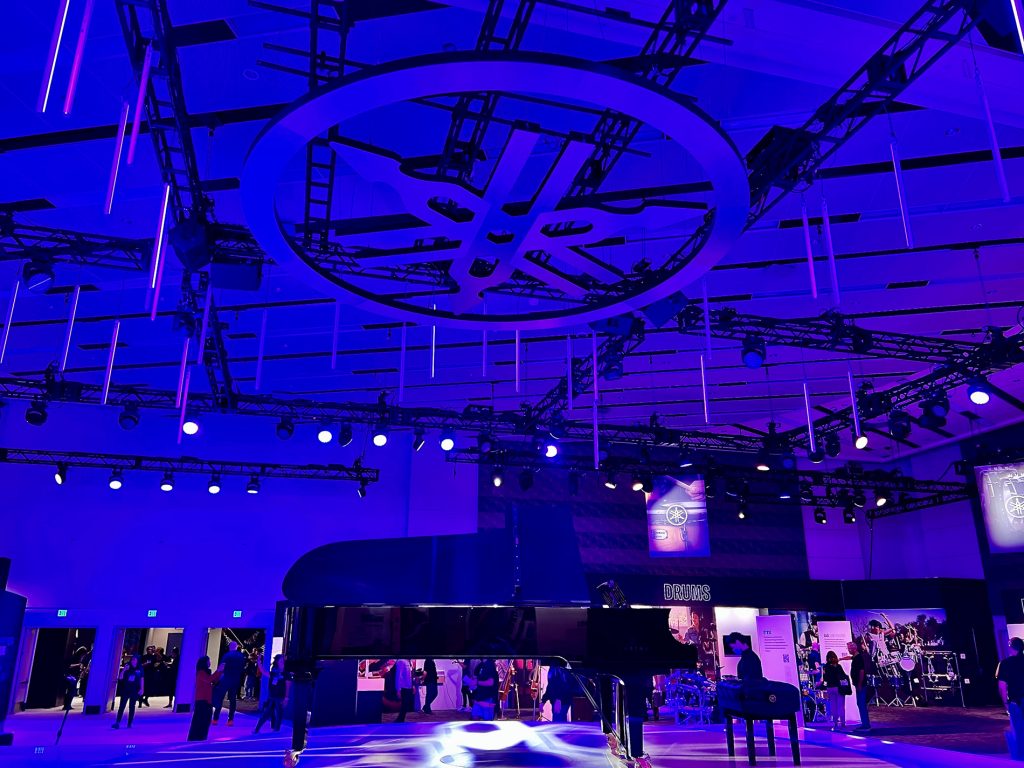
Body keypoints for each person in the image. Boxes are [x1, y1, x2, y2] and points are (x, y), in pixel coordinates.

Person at [212, 641, 246, 726]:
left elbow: (221, 667)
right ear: (237, 647)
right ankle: (230, 720)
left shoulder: (227, 655)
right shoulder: (241, 656)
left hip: (226, 678)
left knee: (220, 698)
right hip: (236, 679)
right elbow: (243, 668)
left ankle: (215, 719)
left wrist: (216, 676)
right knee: (232, 700)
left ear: (230, 647)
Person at [254, 655, 287, 734]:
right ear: (277, 661)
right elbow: (264, 672)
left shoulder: (286, 672)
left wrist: (286, 697)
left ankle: (275, 729)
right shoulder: (274, 672)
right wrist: (259, 663)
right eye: (281, 659)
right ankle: (257, 729)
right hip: (272, 696)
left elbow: (288, 684)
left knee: (278, 713)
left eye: (283, 659)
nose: (282, 661)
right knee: (268, 713)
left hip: (280, 696)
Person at [112, 655, 144, 729]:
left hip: (134, 689)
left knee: (132, 706)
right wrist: (124, 670)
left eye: (135, 660)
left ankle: (129, 723)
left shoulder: (140, 668)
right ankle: (117, 722)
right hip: (126, 689)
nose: (133, 661)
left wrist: (142, 689)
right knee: (122, 706)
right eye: (133, 660)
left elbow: (142, 679)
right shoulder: (127, 667)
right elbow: (120, 677)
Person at [820, 651, 849, 731]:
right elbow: (843, 677)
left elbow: (825, 679)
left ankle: (835, 723)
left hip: (830, 688)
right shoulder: (838, 666)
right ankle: (843, 724)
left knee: (833, 706)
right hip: (839, 688)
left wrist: (824, 686)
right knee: (841, 706)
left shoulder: (825, 667)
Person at [188, 656, 215, 741]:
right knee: (201, 719)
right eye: (208, 661)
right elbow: (209, 680)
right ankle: (198, 737)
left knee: (203, 720)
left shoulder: (204, 672)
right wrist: (219, 671)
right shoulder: (201, 673)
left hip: (205, 699)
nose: (210, 662)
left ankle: (200, 736)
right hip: (202, 700)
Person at [849, 637, 872, 732]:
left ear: (854, 648)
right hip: (859, 684)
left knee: (861, 704)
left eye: (849, 648)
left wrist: (859, 683)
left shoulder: (858, 658)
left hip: (861, 685)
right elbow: (849, 657)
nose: (848, 650)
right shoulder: (855, 657)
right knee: (860, 703)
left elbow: (861, 671)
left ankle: (866, 725)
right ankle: (865, 724)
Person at [997, 637, 1024, 714]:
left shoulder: (1005, 663)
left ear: (1010, 648)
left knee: (1018, 725)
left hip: (1016, 701)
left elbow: (1002, 686)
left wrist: (1006, 704)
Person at [394, 658, 414, 722]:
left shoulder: (409, 662)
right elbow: (398, 676)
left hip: (408, 686)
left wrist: (412, 685)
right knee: (404, 705)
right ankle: (399, 720)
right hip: (403, 687)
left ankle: (400, 720)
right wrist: (398, 689)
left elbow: (409, 675)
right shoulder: (401, 661)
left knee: (405, 705)